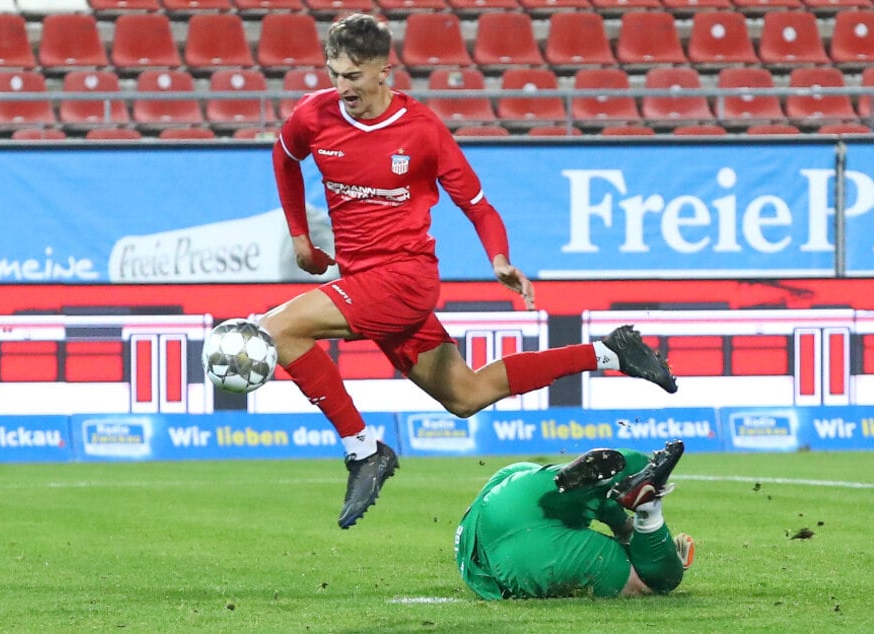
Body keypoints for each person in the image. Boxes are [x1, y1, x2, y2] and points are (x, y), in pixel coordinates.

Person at [261, 13, 678, 529]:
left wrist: (498, 258)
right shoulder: (313, 116)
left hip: (404, 281)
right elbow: (284, 158)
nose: (342, 86)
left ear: (383, 70)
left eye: (353, 75)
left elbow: (478, 205)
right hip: (360, 282)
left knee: (275, 330)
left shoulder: (421, 131)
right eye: (333, 74)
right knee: (466, 394)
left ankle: (362, 450)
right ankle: (609, 351)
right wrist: (300, 238)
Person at [455, 440, 694, 599]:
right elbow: (624, 531)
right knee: (655, 582)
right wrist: (661, 551)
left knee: (580, 496)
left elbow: (623, 528)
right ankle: (649, 509)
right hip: (517, 555)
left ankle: (632, 480)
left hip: (491, 507)